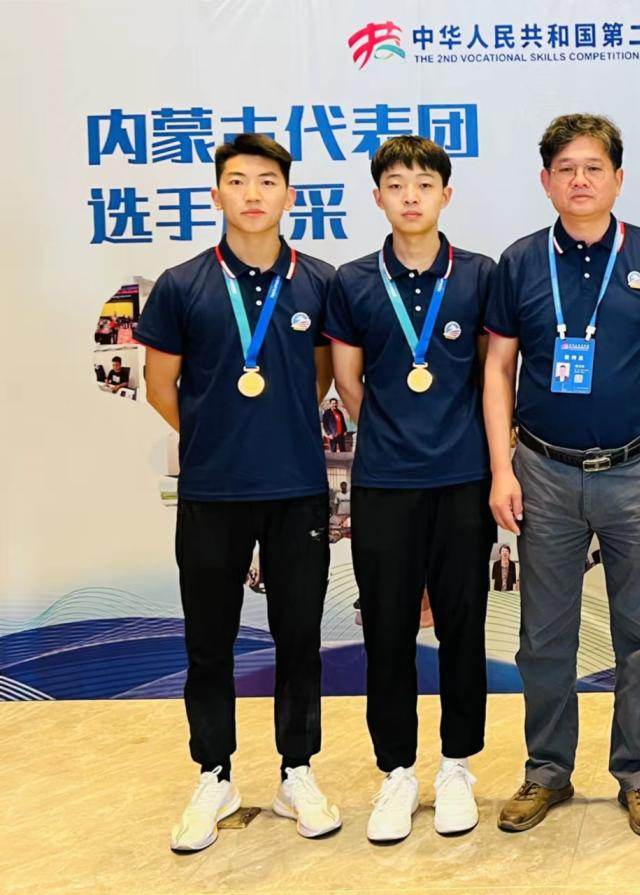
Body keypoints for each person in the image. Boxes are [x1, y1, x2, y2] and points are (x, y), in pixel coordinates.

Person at [484, 114, 640, 837]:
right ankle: (547, 769)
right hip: (542, 471)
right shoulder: (519, 261)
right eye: (566, 169)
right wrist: (501, 469)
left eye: (594, 167)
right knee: (544, 635)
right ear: (545, 181)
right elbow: (497, 368)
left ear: (618, 178)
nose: (580, 180)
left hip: (636, 469)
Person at [134, 134, 341, 853]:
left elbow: (319, 379)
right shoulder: (181, 284)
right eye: (238, 180)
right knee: (209, 639)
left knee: (299, 637)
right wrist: (218, 434)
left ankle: (297, 770)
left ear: (290, 195)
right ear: (216, 194)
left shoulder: (318, 282)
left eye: (267, 181)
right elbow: (161, 386)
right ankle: (214, 773)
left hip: (296, 489)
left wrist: (272, 430)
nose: (253, 193)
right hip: (212, 490)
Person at [324, 135, 497, 843]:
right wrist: (396, 435)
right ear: (378, 198)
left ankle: (457, 766)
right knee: (389, 631)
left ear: (446, 195)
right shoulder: (353, 280)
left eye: (424, 185)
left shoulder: (478, 275)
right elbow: (347, 380)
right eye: (396, 185)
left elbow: (490, 372)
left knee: (462, 626)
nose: (411, 197)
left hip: (463, 480)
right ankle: (396, 771)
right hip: (385, 482)